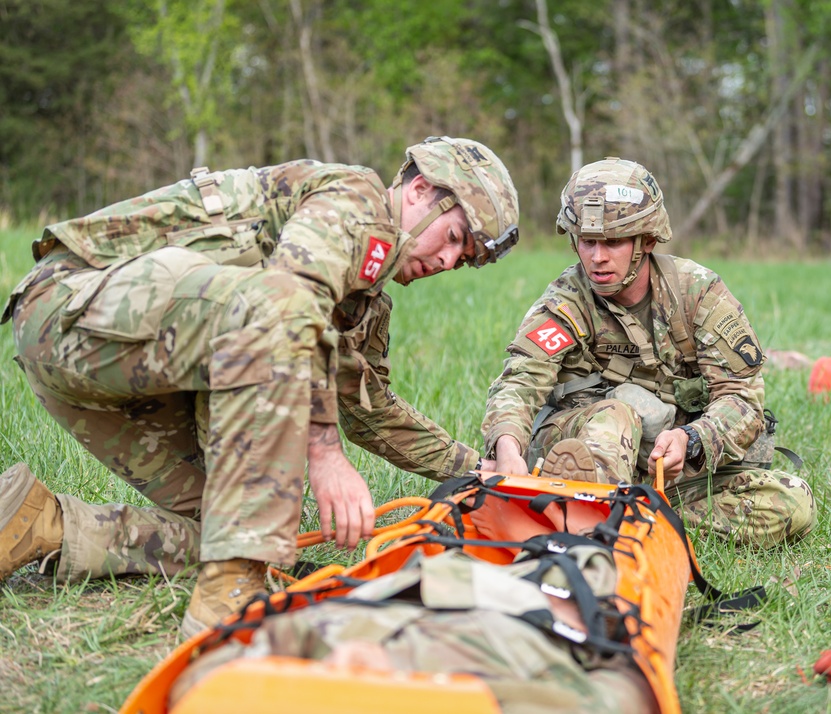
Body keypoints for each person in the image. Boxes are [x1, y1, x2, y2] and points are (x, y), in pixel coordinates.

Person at [0, 137, 519, 637]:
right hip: (70, 306)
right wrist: (323, 451)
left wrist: (474, 470)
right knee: (278, 318)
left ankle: (40, 525)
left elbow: (371, 409)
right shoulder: (354, 201)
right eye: (453, 238)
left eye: (464, 258)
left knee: (243, 528)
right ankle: (228, 612)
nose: (449, 262)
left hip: (113, 357)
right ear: (421, 190)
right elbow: (284, 303)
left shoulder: (367, 300)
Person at [481, 157, 814, 548]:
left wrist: (693, 438)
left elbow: (742, 399)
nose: (597, 258)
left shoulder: (697, 295)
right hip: (587, 449)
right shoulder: (565, 304)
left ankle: (633, 521)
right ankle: (594, 515)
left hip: (670, 469)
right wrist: (507, 449)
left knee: (792, 502)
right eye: (588, 242)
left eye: (614, 242)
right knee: (618, 413)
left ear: (648, 241)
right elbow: (520, 383)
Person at [167, 548, 655, 714]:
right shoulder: (514, 686)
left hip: (405, 600)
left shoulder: (298, 646)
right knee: (579, 568)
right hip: (511, 622)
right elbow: (623, 693)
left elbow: (201, 679)